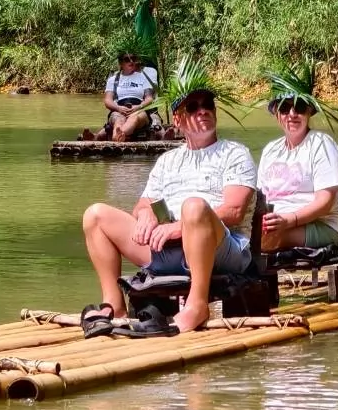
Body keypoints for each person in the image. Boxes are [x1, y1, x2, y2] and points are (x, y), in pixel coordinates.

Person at [81, 72, 256, 333]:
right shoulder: (168, 160)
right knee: (95, 215)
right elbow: (143, 204)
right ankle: (114, 304)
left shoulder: (234, 153)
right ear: (178, 118)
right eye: (193, 107)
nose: (203, 111)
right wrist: (147, 215)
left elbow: (234, 210)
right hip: (167, 247)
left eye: (208, 105)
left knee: (194, 206)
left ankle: (197, 304)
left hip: (219, 246)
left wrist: (179, 227)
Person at [257, 85, 338, 253]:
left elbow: (324, 203)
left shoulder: (322, 144)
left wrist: (288, 220)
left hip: (320, 225)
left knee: (259, 240)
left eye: (299, 107)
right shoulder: (270, 150)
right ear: (277, 114)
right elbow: (259, 199)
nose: (292, 114)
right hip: (274, 224)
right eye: (284, 108)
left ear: (309, 111)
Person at [83, 51, 158, 142]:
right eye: (127, 59)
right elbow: (107, 100)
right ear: (121, 63)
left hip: (138, 108)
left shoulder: (143, 77)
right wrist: (118, 108)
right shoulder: (113, 79)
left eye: (133, 59)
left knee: (134, 118)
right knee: (118, 120)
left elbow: (149, 98)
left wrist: (138, 107)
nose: (131, 61)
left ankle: (119, 135)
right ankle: (119, 135)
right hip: (119, 108)